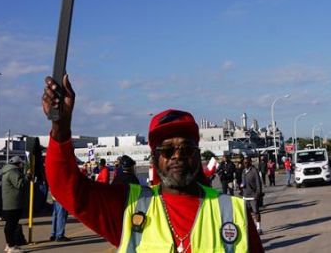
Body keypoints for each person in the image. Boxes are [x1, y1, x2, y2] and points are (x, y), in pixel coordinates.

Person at [42, 74, 264, 252]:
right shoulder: (127, 207)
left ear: (197, 156)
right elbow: (67, 189)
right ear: (155, 158)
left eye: (186, 149)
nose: (177, 156)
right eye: (167, 150)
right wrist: (60, 129)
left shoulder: (234, 212)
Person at [1, 155, 30, 253]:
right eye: (21, 163)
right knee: (11, 225)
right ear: (17, 164)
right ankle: (11, 246)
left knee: (10, 225)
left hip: (9, 202)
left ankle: (9, 244)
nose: (22, 165)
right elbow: (20, 184)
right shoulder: (12, 172)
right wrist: (27, 177)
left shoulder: (7, 171)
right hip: (13, 203)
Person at [241, 156, 264, 235]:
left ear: (250, 162)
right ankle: (250, 228)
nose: (245, 164)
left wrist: (258, 194)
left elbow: (258, 183)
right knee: (246, 213)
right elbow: (243, 182)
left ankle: (259, 227)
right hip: (245, 195)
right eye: (244, 163)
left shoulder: (254, 171)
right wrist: (241, 187)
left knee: (256, 211)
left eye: (246, 162)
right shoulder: (244, 171)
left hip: (253, 195)